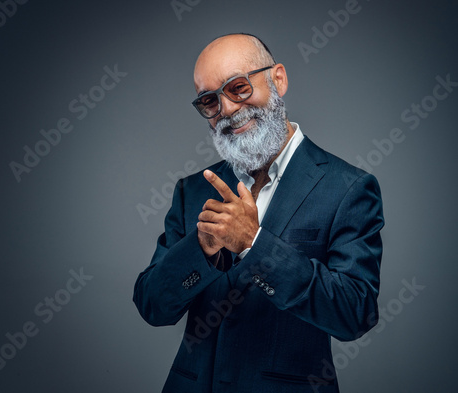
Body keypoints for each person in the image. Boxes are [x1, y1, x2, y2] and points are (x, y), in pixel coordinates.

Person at [133, 33, 384, 393]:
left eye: (238, 87)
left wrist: (254, 244)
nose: (228, 109)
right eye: (209, 100)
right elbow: (152, 306)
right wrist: (199, 253)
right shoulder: (193, 190)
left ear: (277, 79)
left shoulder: (348, 188)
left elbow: (354, 313)